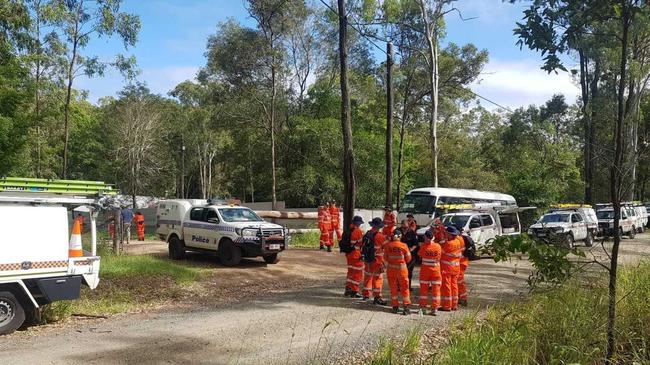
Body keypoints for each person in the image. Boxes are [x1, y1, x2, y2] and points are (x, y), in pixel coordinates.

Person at [384, 230, 412, 315]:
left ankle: (395, 307)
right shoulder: (404, 246)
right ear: (400, 236)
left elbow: (385, 258)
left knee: (393, 289)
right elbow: (408, 259)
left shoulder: (388, 245)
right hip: (402, 270)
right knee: (405, 289)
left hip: (391, 270)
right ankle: (406, 307)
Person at [361, 217, 387, 305]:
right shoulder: (380, 236)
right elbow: (386, 247)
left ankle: (366, 295)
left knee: (368, 277)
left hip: (368, 259)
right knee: (378, 278)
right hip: (377, 261)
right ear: (379, 226)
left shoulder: (368, 233)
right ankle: (377, 297)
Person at [418, 228, 442, 315]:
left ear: (426, 237)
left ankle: (423, 307)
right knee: (436, 291)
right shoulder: (438, 246)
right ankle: (434, 308)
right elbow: (439, 257)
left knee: (424, 290)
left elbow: (420, 255)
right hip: (436, 271)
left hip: (425, 271)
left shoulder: (424, 246)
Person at [440, 225, 464, 311]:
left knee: (446, 287)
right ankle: (454, 305)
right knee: (454, 286)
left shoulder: (448, 244)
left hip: (447, 268)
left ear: (450, 234)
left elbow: (441, 252)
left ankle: (447, 306)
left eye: (447, 234)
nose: (446, 235)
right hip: (456, 268)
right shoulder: (457, 242)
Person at [344, 215, 365, 298]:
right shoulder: (358, 231)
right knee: (357, 273)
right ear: (358, 223)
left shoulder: (348, 230)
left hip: (349, 254)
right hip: (356, 254)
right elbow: (361, 243)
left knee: (350, 272)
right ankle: (354, 291)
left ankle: (348, 289)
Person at [400, 219, 419, 292]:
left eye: (406, 227)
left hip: (410, 256)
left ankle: (408, 286)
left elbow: (415, 244)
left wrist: (411, 249)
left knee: (409, 272)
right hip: (400, 256)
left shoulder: (412, 233)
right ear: (401, 226)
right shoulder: (397, 232)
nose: (405, 229)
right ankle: (399, 286)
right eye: (403, 228)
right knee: (400, 272)